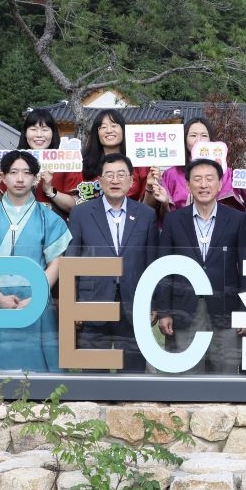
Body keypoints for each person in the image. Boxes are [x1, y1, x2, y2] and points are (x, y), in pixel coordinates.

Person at [0, 150, 72, 371]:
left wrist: (38, 295)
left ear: (35, 178)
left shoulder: (49, 217)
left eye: (26, 173)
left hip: (35, 295)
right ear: (3, 177)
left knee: (38, 363)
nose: (20, 179)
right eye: (13, 172)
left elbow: (56, 263)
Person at [65, 153, 159, 372]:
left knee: (133, 374)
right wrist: (73, 305)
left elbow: (151, 262)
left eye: (121, 175)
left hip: (134, 302)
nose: (115, 180)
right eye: (109, 175)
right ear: (99, 181)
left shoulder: (146, 214)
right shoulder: (81, 213)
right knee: (93, 377)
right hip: (92, 302)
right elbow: (71, 260)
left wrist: (153, 302)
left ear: (131, 180)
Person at [157, 158, 246, 374]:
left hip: (226, 308)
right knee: (185, 374)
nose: (203, 185)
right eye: (197, 179)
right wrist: (164, 311)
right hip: (184, 307)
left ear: (220, 184)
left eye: (210, 179)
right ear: (188, 184)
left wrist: (245, 311)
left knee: (225, 371)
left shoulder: (236, 219)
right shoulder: (174, 220)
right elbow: (164, 268)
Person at [44, 109, 151, 214]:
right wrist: (50, 190)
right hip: (90, 223)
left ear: (123, 130)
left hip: (130, 222)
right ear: (97, 133)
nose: (109, 130)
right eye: (103, 127)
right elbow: (75, 203)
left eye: (114, 126)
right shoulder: (82, 165)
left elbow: (147, 205)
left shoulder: (140, 165)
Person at [149, 116, 237, 217]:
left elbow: (232, 208)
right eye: (193, 135)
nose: (199, 140)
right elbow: (163, 214)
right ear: (184, 140)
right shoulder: (171, 174)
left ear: (211, 140)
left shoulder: (225, 172)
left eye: (204, 135)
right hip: (179, 228)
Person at [18, 107, 63, 205]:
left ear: (53, 133)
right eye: (33, 129)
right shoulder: (13, 163)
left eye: (45, 129)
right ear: (25, 133)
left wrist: (50, 191)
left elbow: (76, 205)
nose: (39, 135)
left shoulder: (66, 162)